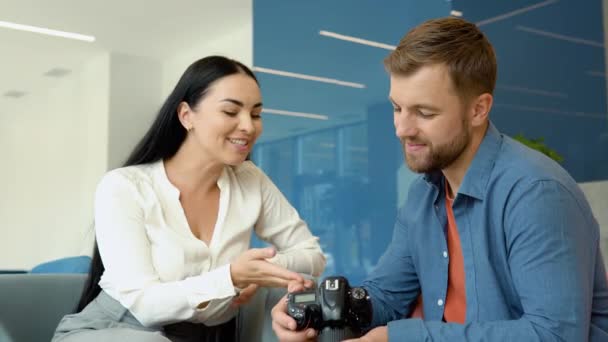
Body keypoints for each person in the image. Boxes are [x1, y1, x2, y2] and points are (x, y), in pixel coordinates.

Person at [271, 17, 608, 341]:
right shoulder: (423, 196)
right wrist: (324, 311)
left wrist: (402, 339)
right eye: (397, 108)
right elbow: (388, 294)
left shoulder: (536, 194)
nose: (402, 129)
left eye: (424, 112)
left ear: (478, 109)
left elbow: (555, 335)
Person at [52, 56, 325, 342]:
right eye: (231, 111)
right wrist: (231, 277)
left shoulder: (250, 180)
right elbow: (146, 306)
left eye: (256, 114)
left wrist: (255, 273)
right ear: (186, 116)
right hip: (120, 331)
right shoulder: (124, 186)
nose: (248, 126)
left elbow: (312, 256)